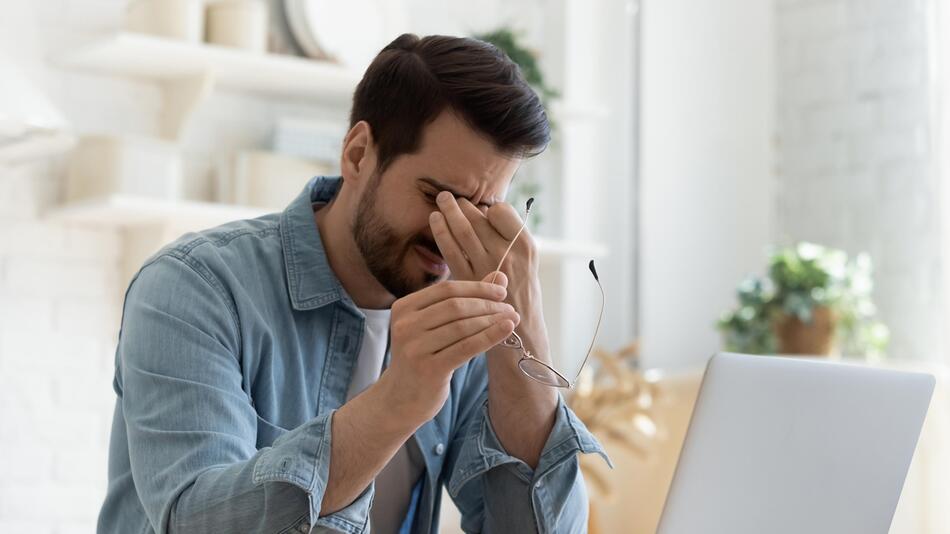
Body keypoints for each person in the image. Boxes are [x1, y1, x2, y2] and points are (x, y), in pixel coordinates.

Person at [97, 33, 607, 534]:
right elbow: (197, 523)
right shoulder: (195, 288)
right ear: (359, 153)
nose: (453, 234)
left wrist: (528, 338)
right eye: (437, 197)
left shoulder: (469, 317)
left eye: (483, 211)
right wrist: (400, 399)